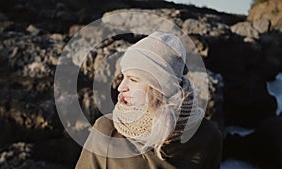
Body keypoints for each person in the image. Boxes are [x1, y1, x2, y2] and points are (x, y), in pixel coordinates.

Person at [75, 32, 222, 169]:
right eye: (123, 77)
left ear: (160, 87)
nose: (121, 87)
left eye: (133, 79)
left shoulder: (207, 136)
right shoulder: (107, 130)